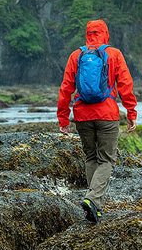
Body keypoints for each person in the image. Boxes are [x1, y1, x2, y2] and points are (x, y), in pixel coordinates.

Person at [57, 19, 137, 224]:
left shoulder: (77, 55)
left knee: (91, 157)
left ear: (88, 34)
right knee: (107, 159)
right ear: (106, 34)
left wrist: (63, 118)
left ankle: (95, 207)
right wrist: (131, 113)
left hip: (82, 115)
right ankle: (92, 199)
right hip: (107, 114)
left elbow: (66, 88)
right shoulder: (114, 54)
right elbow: (126, 85)